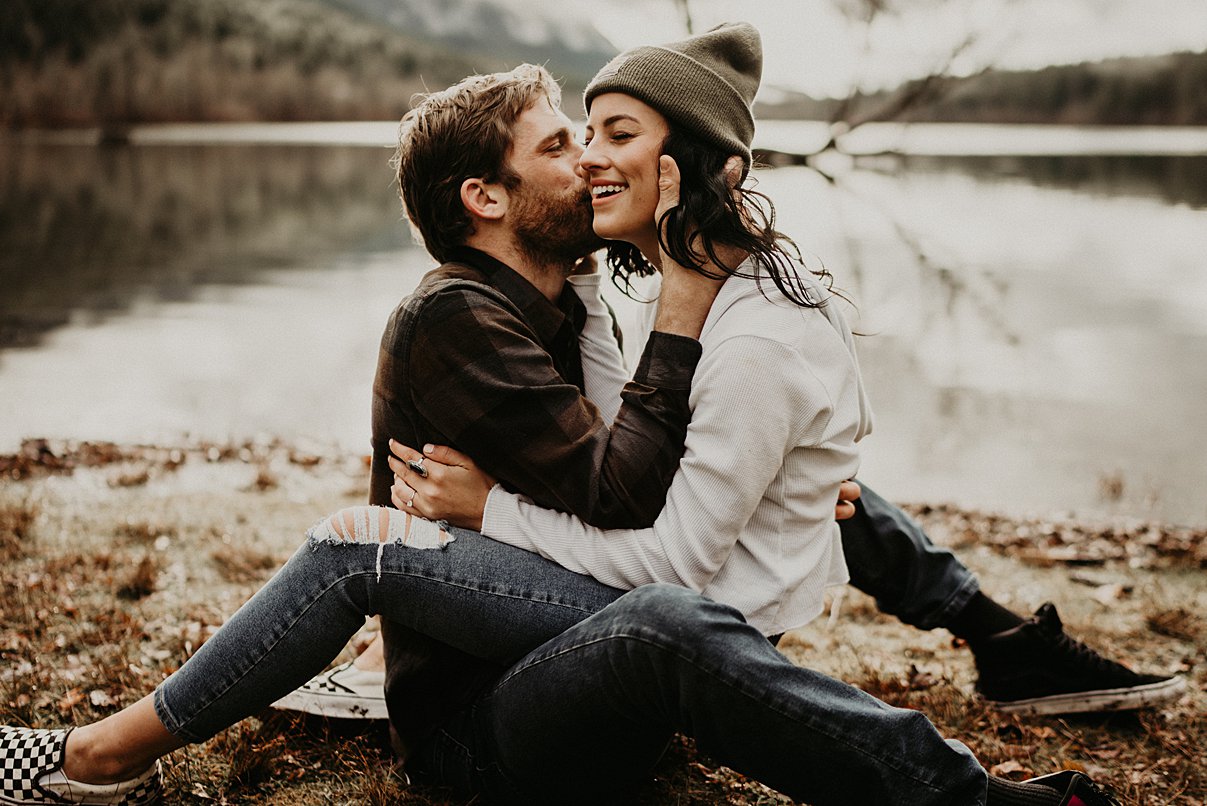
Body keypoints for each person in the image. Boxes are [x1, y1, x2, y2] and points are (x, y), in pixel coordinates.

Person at [0, 25, 1125, 805]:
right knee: (373, 547)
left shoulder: (563, 293)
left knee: (801, 487)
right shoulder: (456, 318)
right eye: (560, 144)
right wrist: (676, 310)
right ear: (484, 198)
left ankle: (998, 637)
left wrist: (774, 466)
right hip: (495, 728)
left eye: (601, 138)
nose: (586, 159)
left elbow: (643, 461)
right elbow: (631, 493)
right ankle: (102, 754)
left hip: (576, 648)